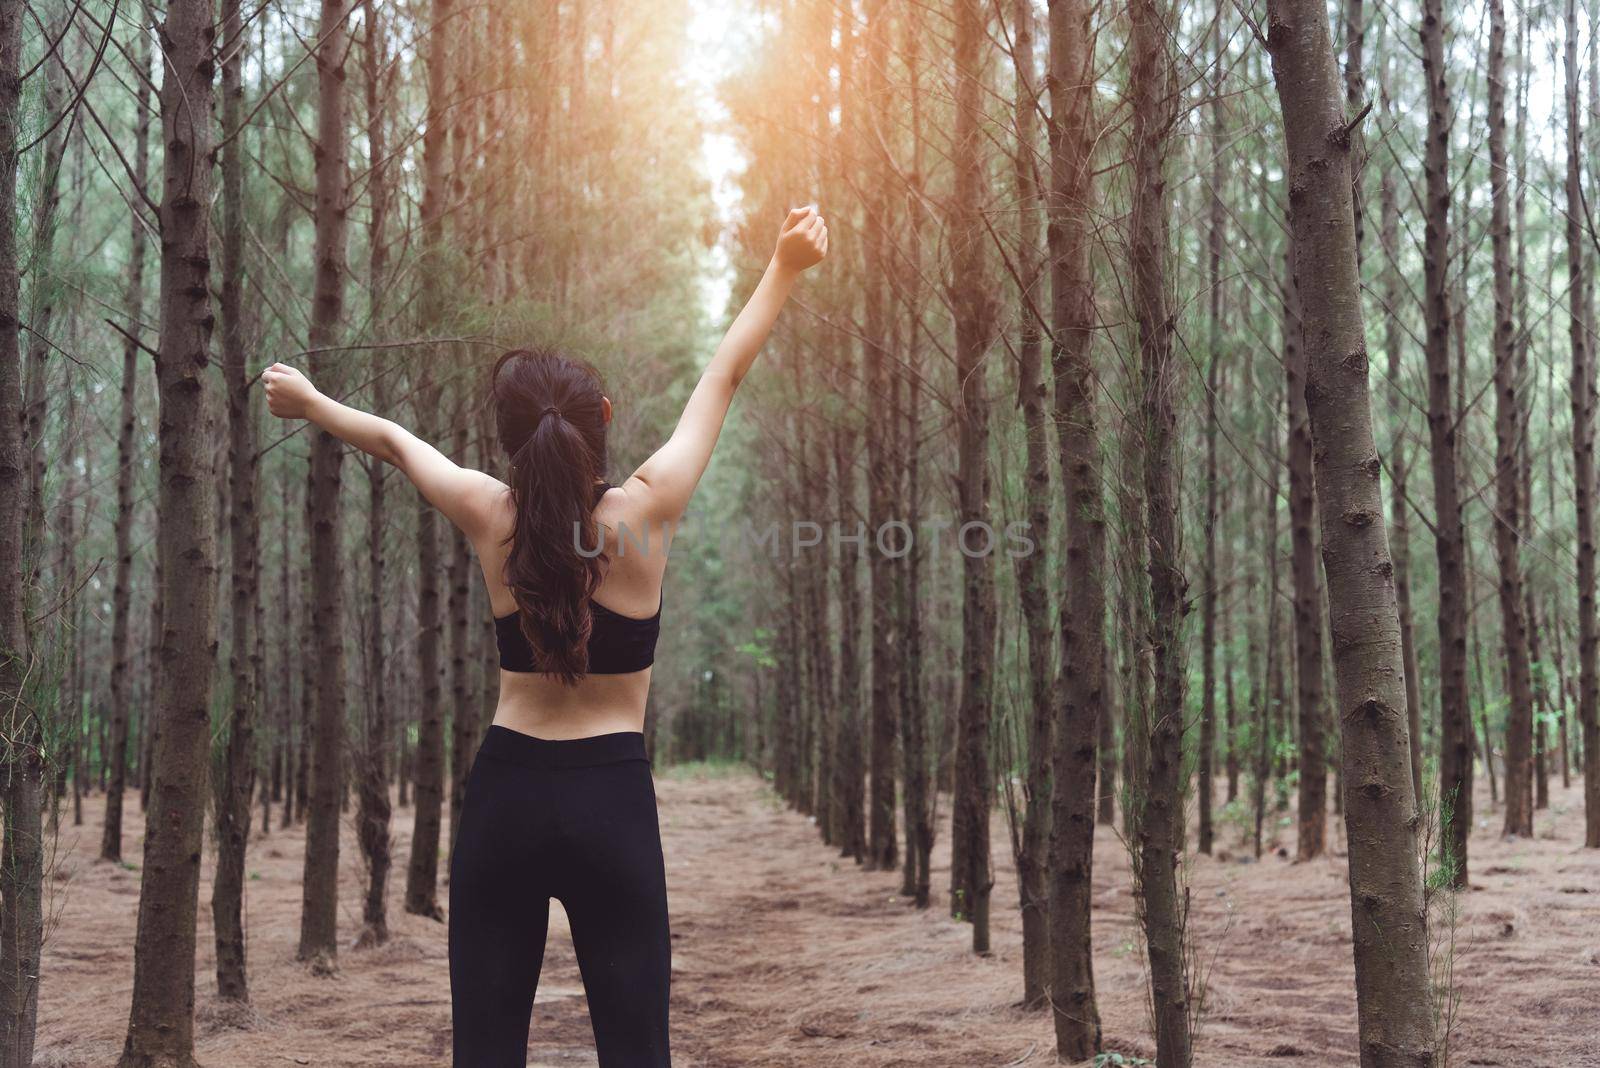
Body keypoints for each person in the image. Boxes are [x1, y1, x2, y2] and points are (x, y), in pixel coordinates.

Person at [262, 205, 827, 1067]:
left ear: (508, 443)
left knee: (486, 1053)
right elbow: (724, 374)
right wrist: (783, 266)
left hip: (506, 798)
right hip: (614, 805)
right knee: (637, 1051)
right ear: (602, 416)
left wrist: (310, 402)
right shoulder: (648, 511)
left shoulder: (492, 515)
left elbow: (392, 440)